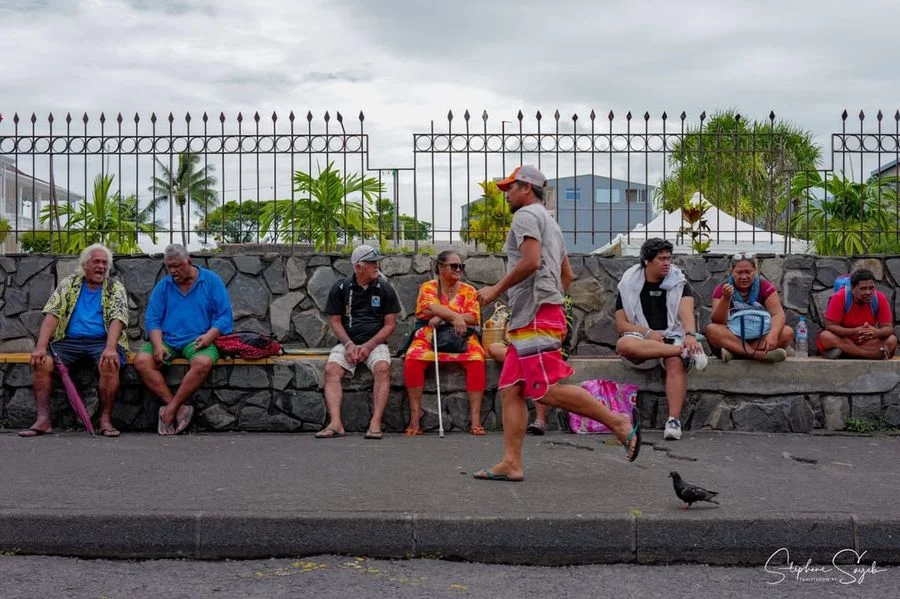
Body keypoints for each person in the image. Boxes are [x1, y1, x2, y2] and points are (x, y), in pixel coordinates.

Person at [475, 165, 640, 482]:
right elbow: (566, 275)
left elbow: (531, 261)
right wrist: (555, 310)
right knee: (511, 390)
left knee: (545, 391)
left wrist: (496, 290)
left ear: (526, 188)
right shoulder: (552, 224)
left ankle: (617, 421)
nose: (506, 194)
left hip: (536, 314)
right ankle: (511, 463)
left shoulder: (525, 217)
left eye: (510, 188)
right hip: (538, 314)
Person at [18, 244, 128, 438]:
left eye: (104, 263)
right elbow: (52, 314)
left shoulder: (114, 287)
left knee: (110, 363)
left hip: (102, 341)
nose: (101, 267)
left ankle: (105, 420)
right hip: (69, 342)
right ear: (85, 265)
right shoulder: (70, 283)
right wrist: (41, 347)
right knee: (41, 362)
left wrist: (110, 348)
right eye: (96, 262)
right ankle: (43, 420)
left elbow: (117, 318)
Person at [134, 244, 233, 436]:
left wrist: (209, 336)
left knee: (202, 363)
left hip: (199, 340)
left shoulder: (211, 281)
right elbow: (153, 319)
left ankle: (169, 411)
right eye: (168, 267)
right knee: (141, 361)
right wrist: (157, 346)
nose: (172, 271)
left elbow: (224, 316)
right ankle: (177, 408)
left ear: (189, 262)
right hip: (168, 340)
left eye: (177, 266)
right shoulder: (164, 286)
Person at [614, 238, 707, 442]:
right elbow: (621, 325)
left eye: (669, 258)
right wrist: (648, 333)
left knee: (675, 362)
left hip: (672, 336)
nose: (667, 263)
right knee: (623, 344)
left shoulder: (679, 282)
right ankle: (681, 351)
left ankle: (673, 421)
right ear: (647, 261)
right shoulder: (628, 283)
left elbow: (686, 313)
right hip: (643, 340)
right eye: (661, 259)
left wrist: (690, 335)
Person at [316, 244, 401, 440]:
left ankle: (375, 422)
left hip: (375, 343)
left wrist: (369, 346)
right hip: (348, 342)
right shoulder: (341, 287)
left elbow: (390, 325)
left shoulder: (385, 288)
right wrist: (348, 345)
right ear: (357, 267)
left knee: (382, 368)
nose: (376, 266)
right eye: (371, 262)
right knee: (331, 370)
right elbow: (335, 321)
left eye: (376, 262)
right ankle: (336, 423)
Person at [404, 250, 486, 436]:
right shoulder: (428, 287)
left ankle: (475, 418)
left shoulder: (469, 290)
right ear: (440, 267)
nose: (458, 269)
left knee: (476, 359)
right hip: (429, 334)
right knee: (413, 358)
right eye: (454, 266)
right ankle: (416, 415)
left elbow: (473, 318)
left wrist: (442, 318)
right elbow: (429, 307)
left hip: (461, 335)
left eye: (461, 266)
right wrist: (456, 316)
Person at [486, 294, 576, 435]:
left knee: (534, 367)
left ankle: (540, 420)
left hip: (549, 344)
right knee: (494, 349)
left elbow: (563, 331)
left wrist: (495, 289)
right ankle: (512, 451)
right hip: (520, 343)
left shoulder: (556, 294)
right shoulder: (522, 292)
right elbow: (511, 324)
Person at [704, 253, 794, 363]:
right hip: (733, 336)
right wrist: (725, 299)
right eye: (739, 273)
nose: (744, 277)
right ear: (732, 272)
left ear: (755, 270)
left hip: (759, 336)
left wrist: (773, 335)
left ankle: (735, 352)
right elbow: (718, 321)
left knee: (787, 332)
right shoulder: (722, 289)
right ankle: (758, 355)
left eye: (748, 272)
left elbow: (778, 314)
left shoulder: (765, 287)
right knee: (711, 330)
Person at [816, 268, 897, 360]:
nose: (868, 292)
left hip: (866, 342)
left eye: (871, 288)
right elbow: (830, 326)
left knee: (892, 340)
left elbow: (888, 328)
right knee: (826, 336)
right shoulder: (839, 297)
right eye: (863, 289)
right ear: (852, 288)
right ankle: (871, 355)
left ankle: (847, 354)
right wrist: (854, 331)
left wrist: (875, 332)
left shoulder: (880, 298)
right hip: (845, 339)